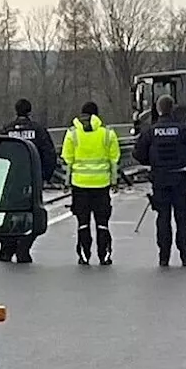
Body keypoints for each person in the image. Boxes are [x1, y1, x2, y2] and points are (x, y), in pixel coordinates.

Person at [133, 95, 186, 267]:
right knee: (182, 219)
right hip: (180, 178)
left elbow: (138, 153)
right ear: (172, 109)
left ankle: (164, 256)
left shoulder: (151, 131)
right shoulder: (184, 130)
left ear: (158, 109)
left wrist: (152, 163)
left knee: (163, 218)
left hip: (160, 179)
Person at [0, 98, 57, 264]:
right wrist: (45, 176)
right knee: (32, 212)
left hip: (10, 182)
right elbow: (49, 154)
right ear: (29, 111)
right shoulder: (38, 130)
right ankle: (24, 246)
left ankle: (7, 246)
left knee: (9, 213)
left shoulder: (5, 130)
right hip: (31, 180)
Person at [61, 101, 120, 266]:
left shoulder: (72, 134)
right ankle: (104, 255)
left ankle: (84, 255)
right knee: (102, 222)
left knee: (82, 222)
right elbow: (114, 160)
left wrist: (67, 182)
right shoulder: (107, 134)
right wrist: (114, 181)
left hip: (79, 185)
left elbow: (68, 161)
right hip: (101, 185)